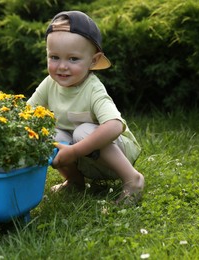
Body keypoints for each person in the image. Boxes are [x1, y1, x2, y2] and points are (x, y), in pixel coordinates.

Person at [28, 11, 144, 204]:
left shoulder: (92, 88)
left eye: (73, 59)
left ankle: (133, 179)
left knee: (83, 131)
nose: (62, 66)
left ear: (93, 61)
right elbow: (26, 114)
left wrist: (74, 152)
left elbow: (115, 125)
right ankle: (75, 181)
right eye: (55, 57)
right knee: (49, 133)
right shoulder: (49, 84)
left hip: (115, 156)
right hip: (85, 159)